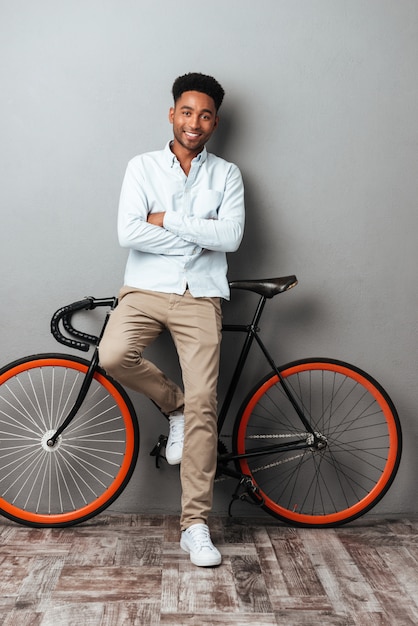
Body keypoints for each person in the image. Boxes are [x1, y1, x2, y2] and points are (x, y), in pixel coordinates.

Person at [99, 72, 245, 567]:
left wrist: (168, 220)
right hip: (144, 289)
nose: (194, 122)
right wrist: (195, 235)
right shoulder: (141, 167)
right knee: (113, 354)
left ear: (215, 122)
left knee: (208, 401)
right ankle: (173, 407)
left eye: (205, 115)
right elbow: (128, 233)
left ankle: (196, 526)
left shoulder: (227, 174)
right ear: (172, 114)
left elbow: (231, 237)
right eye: (187, 112)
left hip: (200, 295)